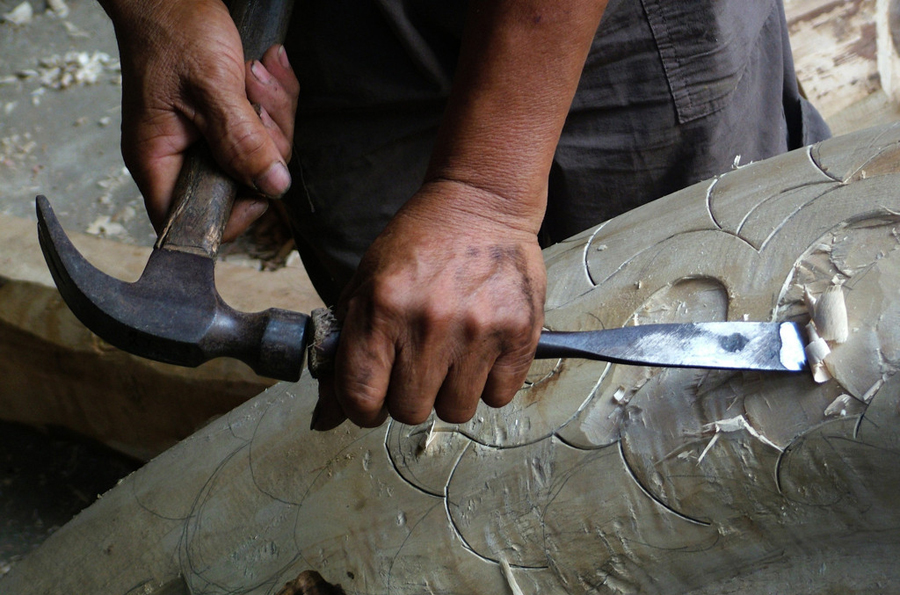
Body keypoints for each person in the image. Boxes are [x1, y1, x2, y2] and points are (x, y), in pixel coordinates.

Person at [97, 0, 829, 431]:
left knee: (712, 328)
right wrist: (158, 11)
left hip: (599, 22)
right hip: (334, 27)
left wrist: (485, 193)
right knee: (412, 356)